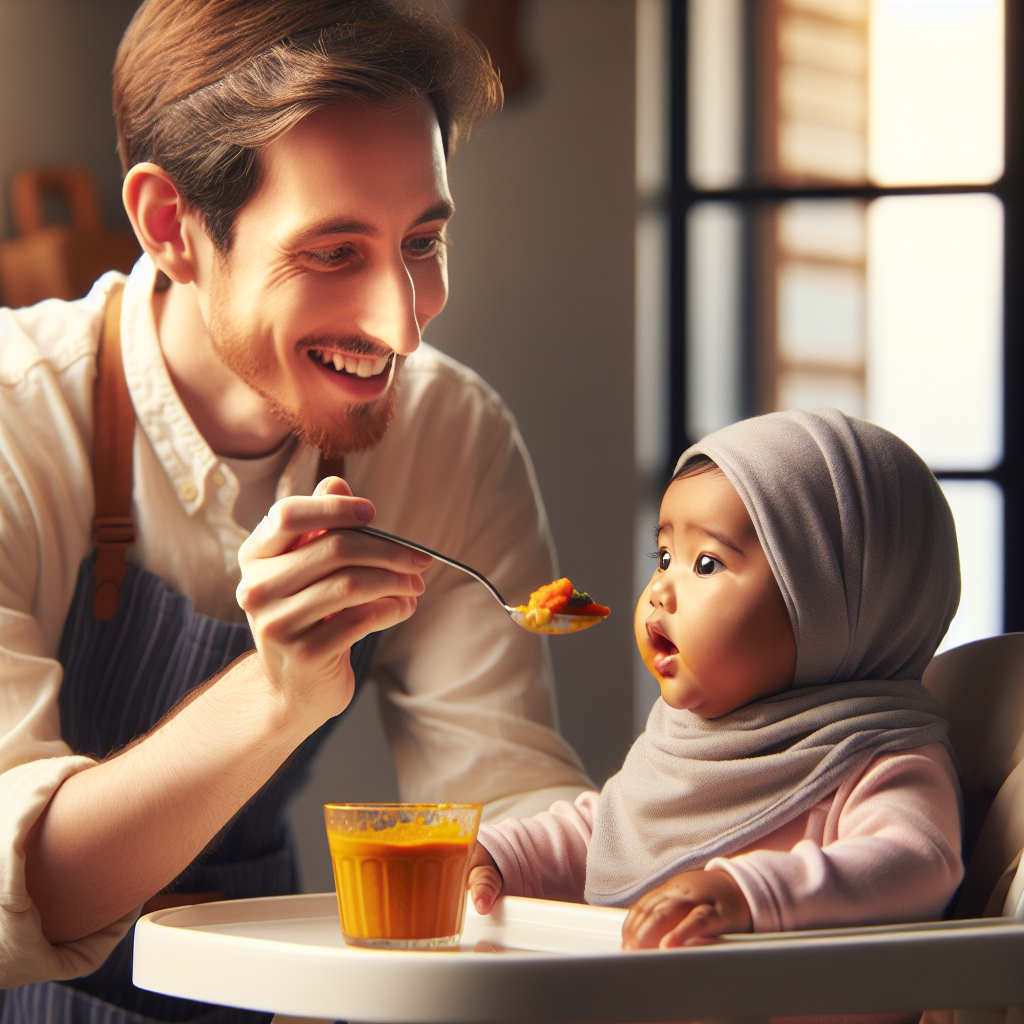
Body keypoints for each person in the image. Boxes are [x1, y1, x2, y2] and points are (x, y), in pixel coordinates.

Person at [0, 1, 592, 1019]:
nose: (401, 324)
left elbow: (506, 802)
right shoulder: (19, 420)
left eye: (422, 240)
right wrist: (272, 697)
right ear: (169, 225)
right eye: (332, 252)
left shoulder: (448, 430)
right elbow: (20, 897)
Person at [469, 408, 964, 953]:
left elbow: (917, 862)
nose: (659, 589)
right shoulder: (681, 742)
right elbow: (611, 832)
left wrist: (750, 894)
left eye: (705, 564)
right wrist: (501, 854)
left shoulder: (877, 756)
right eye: (663, 556)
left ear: (833, 605)